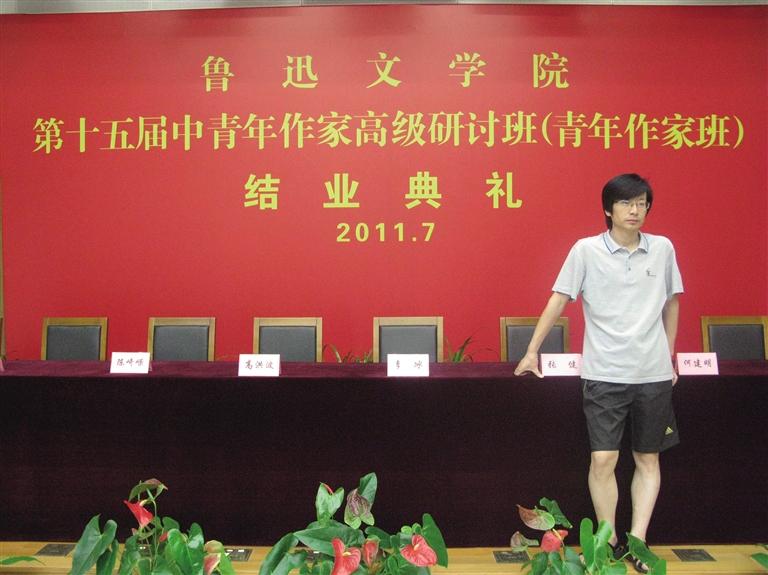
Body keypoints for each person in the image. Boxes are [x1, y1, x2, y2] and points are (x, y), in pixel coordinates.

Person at [513, 173, 683, 574]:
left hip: (653, 373)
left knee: (647, 458)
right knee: (603, 459)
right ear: (608, 209)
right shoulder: (586, 250)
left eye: (641, 203)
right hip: (604, 372)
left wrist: (670, 356)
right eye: (626, 203)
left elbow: (672, 302)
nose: (635, 210)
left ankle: (638, 541)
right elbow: (559, 299)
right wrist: (532, 351)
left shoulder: (662, 249)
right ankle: (607, 540)